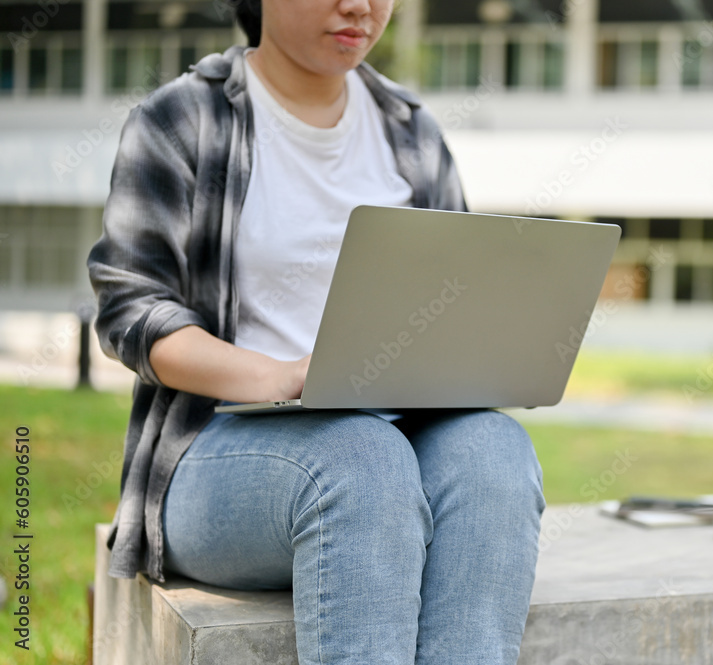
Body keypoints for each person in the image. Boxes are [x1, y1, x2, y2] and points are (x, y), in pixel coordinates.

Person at [87, 0, 546, 663]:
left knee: (496, 450)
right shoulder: (182, 119)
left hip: (400, 437)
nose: (360, 7)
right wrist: (282, 375)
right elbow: (132, 309)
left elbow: (456, 302)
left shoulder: (411, 131)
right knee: (361, 456)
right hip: (220, 449)